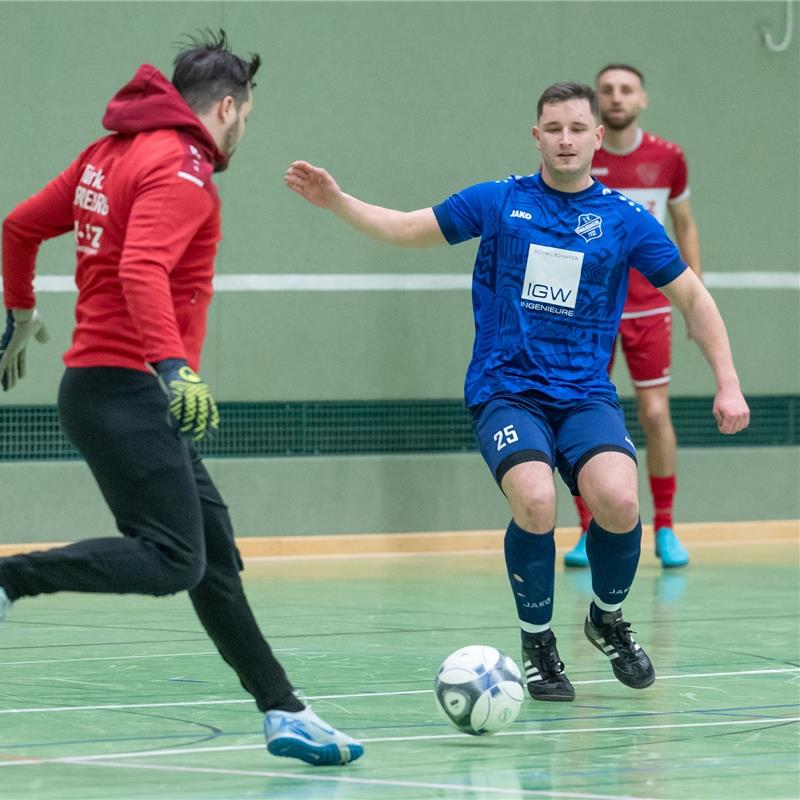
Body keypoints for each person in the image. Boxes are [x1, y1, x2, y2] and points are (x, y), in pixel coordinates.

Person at [0, 30, 363, 767]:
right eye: (247, 115)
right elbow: (142, 268)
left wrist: (20, 313)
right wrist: (173, 367)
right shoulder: (182, 168)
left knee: (215, 558)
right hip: (128, 387)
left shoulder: (106, 154)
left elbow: (19, 226)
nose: (244, 129)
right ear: (229, 106)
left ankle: (285, 712)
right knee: (174, 559)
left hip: (106, 388)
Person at [285, 82, 749, 701]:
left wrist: (728, 383)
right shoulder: (499, 202)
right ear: (537, 136)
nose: (565, 139)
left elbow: (692, 296)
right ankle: (537, 642)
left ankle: (606, 620)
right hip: (507, 392)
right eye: (553, 128)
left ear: (595, 138)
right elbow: (407, 227)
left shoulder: (624, 220)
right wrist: (337, 201)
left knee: (619, 501)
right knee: (534, 501)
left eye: (577, 129)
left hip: (584, 395)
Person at [565, 64, 701, 569]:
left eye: (626, 90)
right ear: (597, 104)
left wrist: (693, 300)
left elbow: (685, 226)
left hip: (649, 308)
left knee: (655, 413)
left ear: (642, 98)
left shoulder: (668, 159)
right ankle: (585, 530)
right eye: (607, 90)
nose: (617, 97)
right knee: (578, 414)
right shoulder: (579, 156)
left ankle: (665, 526)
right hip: (587, 313)